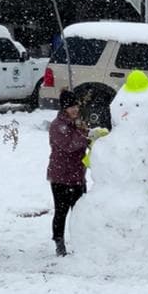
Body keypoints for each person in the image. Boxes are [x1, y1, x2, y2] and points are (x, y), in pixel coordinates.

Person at [47, 89, 88, 256]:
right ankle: (59, 242)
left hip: (77, 175)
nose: (75, 109)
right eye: (71, 107)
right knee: (61, 211)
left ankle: (82, 241)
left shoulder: (76, 123)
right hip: (61, 176)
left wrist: (86, 132)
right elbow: (69, 145)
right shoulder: (58, 126)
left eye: (76, 106)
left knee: (80, 211)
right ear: (64, 108)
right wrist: (86, 137)